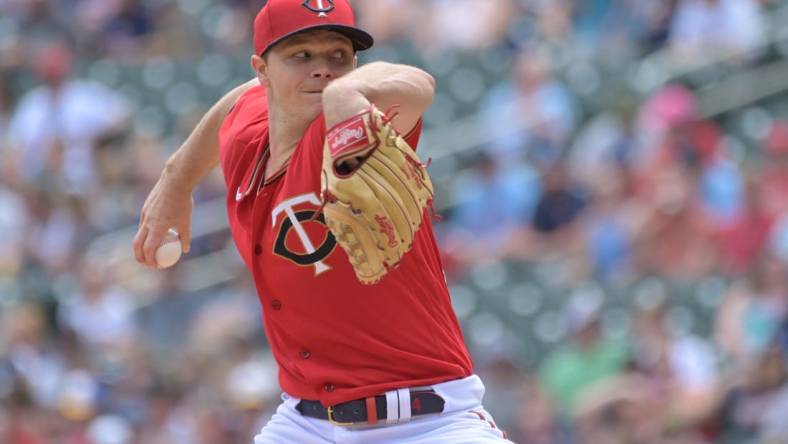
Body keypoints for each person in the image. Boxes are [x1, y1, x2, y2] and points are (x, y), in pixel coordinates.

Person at [132, 1, 511, 443]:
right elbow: (235, 103)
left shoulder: (353, 129)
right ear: (261, 70)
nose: (323, 70)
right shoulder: (247, 133)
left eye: (338, 56)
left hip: (428, 420)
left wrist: (346, 96)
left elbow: (417, 84)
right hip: (305, 424)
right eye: (301, 56)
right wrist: (176, 179)